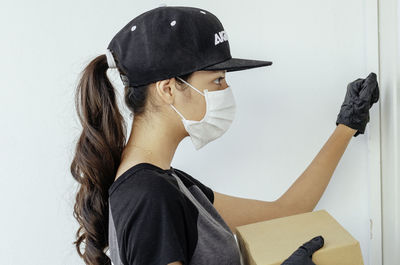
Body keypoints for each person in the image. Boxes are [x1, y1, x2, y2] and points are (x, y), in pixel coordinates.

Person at [69, 4, 379, 265]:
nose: (227, 90)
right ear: (168, 89)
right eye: (217, 80)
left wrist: (348, 123)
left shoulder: (172, 184)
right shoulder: (151, 198)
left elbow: (286, 211)